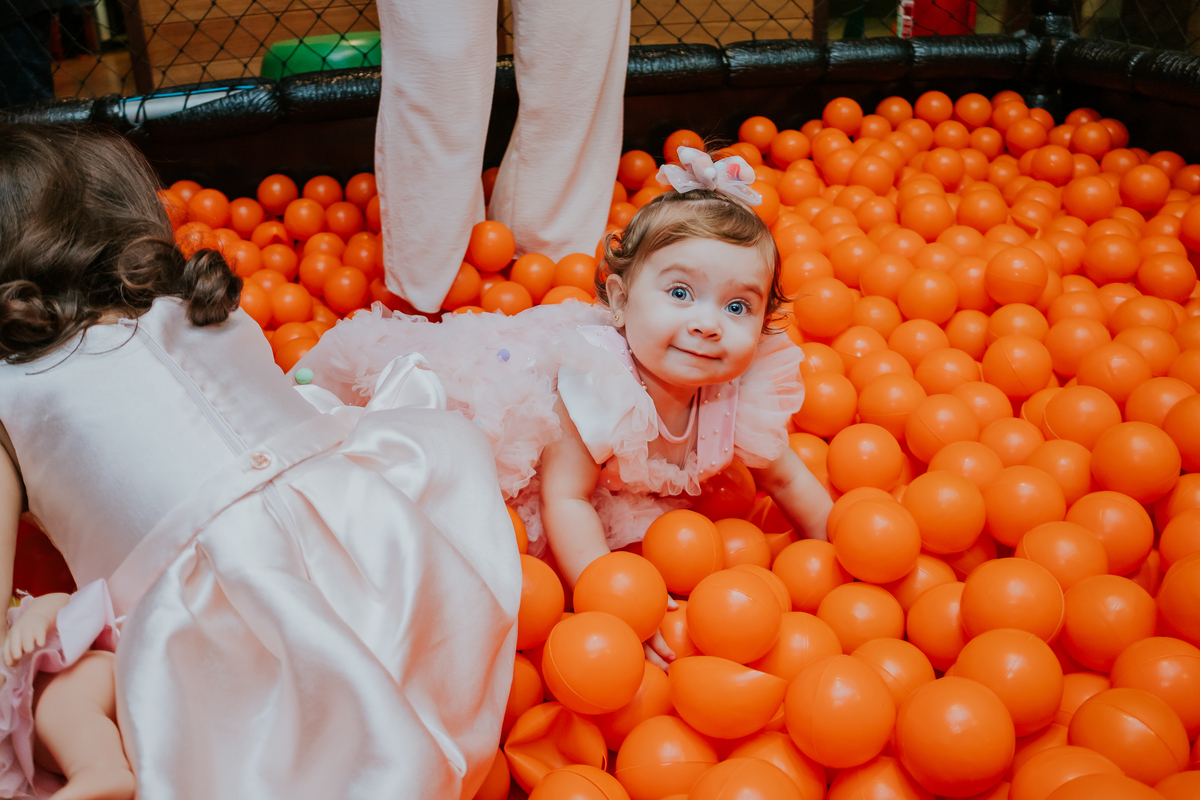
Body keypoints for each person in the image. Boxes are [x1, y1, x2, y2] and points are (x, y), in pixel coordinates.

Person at [0, 124, 520, 800]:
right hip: (384, 554)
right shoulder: (203, 303)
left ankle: (104, 763)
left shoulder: (11, 391)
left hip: (228, 630)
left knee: (55, 682)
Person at [297, 147, 834, 669]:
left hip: (609, 481)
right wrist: (616, 602)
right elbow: (567, 498)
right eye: (679, 293)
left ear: (763, 327)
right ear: (620, 301)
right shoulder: (599, 387)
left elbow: (787, 481)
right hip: (527, 443)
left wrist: (835, 552)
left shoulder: (741, 390)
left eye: (737, 306)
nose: (707, 323)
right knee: (413, 476)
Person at [373, 0, 631, 312]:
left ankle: (553, 267)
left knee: (577, 50)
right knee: (437, 59)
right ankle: (428, 285)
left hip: (555, 288)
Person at [0, 581, 127, 800]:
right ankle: (96, 772)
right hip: (56, 757)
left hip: (86, 678)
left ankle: (102, 771)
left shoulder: (9, 627)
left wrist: (37, 617)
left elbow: (62, 600)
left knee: (57, 706)